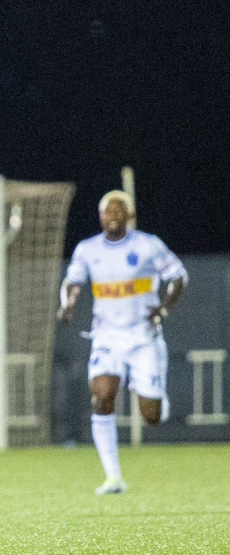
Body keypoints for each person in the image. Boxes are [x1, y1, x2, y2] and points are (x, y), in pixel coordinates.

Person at [58, 190, 187, 495]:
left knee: (151, 416)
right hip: (106, 337)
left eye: (118, 212)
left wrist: (164, 309)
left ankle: (157, 398)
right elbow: (72, 283)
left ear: (129, 216)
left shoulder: (147, 245)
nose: (112, 216)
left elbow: (179, 276)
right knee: (102, 396)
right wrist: (68, 303)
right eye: (107, 212)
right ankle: (113, 477)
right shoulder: (87, 249)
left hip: (143, 338)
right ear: (100, 216)